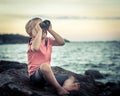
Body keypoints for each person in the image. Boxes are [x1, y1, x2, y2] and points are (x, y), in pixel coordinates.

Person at [25, 17, 80, 96]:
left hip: (46, 77)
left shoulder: (48, 40)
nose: (42, 28)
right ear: (31, 33)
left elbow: (62, 42)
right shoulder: (33, 41)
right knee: (45, 66)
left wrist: (50, 30)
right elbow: (35, 48)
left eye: (43, 26)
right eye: (39, 27)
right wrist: (39, 31)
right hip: (36, 77)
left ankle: (66, 86)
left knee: (70, 77)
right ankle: (59, 88)